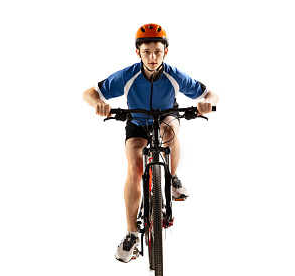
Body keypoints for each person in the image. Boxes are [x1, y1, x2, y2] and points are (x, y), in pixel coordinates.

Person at [82, 23, 219, 263]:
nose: (153, 57)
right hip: (136, 120)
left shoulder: (174, 75)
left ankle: (173, 178)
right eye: (147, 52)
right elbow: (89, 93)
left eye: (158, 51)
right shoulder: (128, 75)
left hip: (166, 116)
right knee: (134, 167)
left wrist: (204, 103)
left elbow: (211, 94)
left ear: (166, 51)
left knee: (170, 130)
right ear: (138, 53)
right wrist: (99, 105)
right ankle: (131, 234)